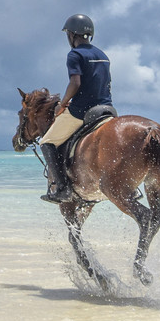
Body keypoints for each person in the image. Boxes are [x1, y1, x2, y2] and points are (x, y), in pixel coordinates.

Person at [40, 13, 113, 204]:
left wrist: (63, 104)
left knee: (46, 142)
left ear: (72, 34)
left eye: (68, 34)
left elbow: (75, 83)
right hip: (107, 109)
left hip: (82, 110)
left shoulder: (75, 54)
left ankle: (63, 188)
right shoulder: (103, 56)